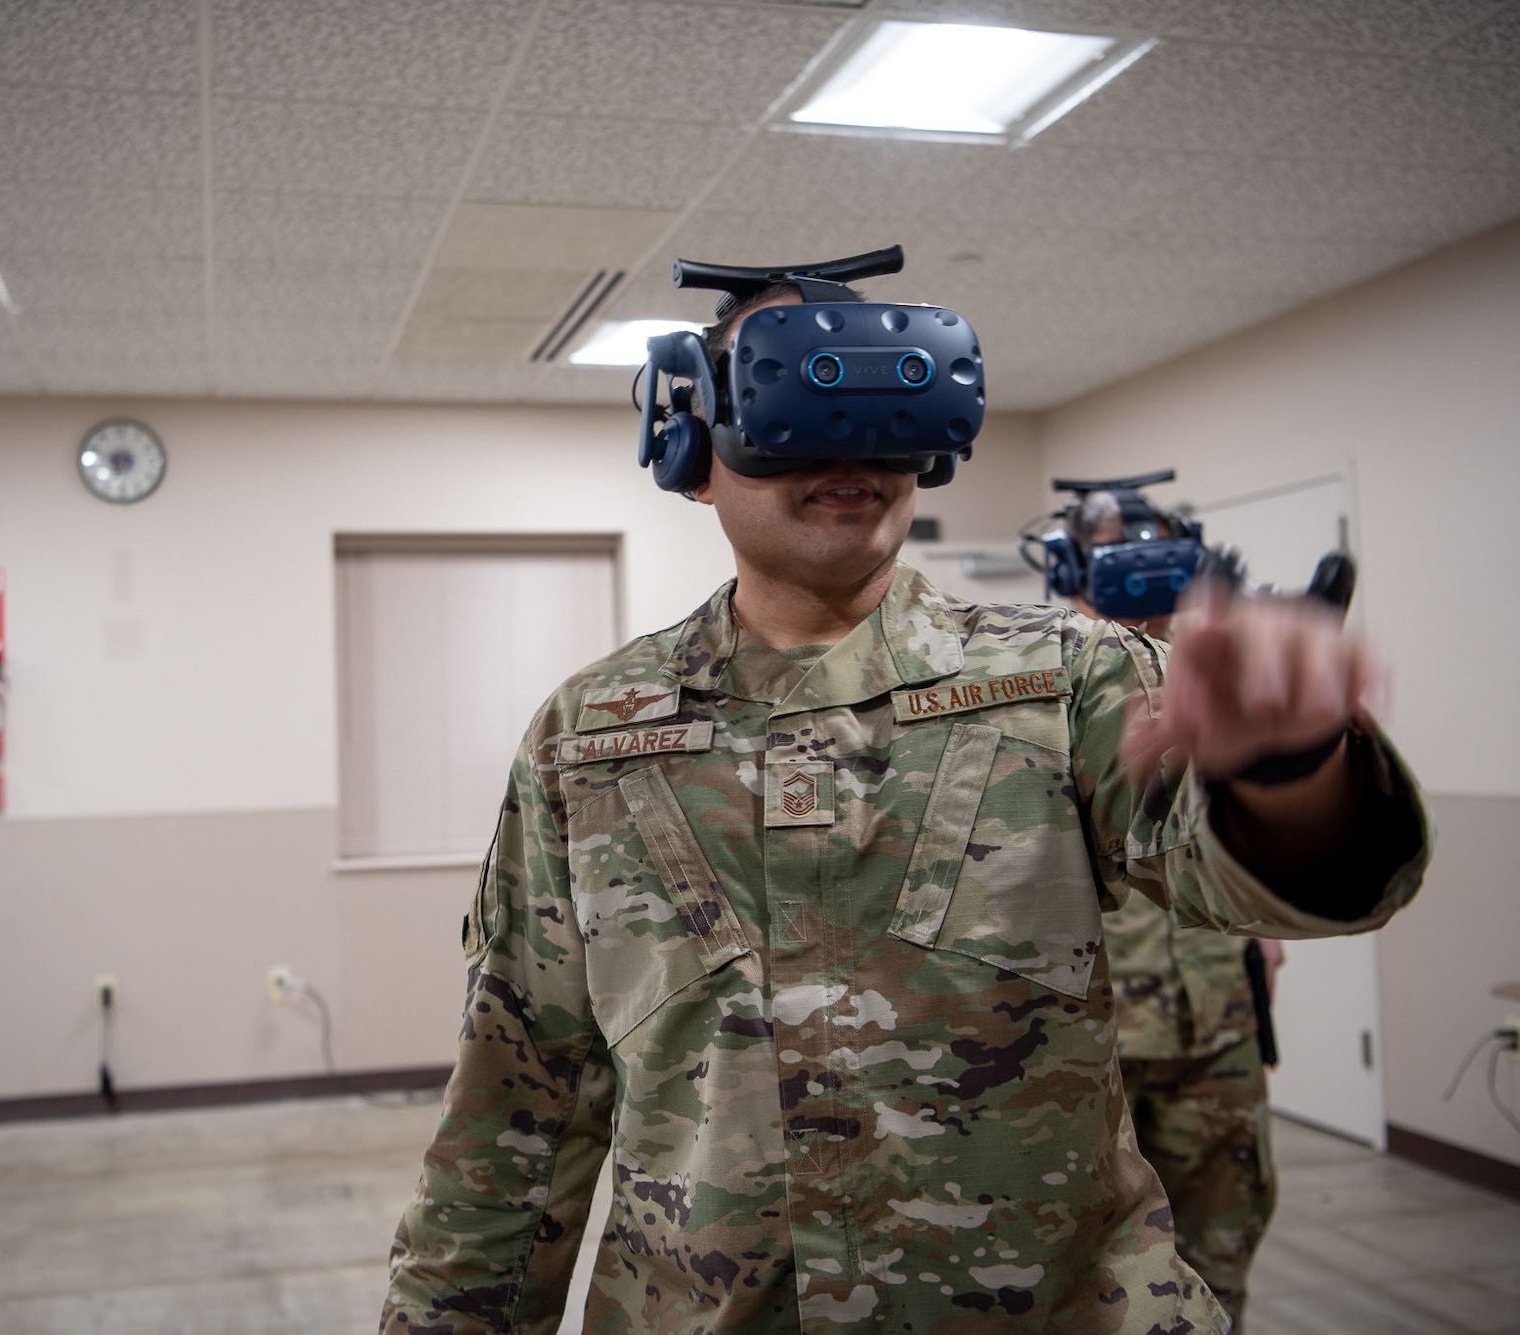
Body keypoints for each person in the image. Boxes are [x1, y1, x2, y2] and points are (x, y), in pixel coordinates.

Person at [382, 276, 1431, 1333]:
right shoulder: (593, 731)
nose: (847, 450)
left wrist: (1288, 769)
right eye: (790, 401)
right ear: (692, 453)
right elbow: (518, 1103)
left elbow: (1274, 882)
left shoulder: (1069, 675)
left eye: (887, 409)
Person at [1063, 487, 1285, 1330]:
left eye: (1159, 552)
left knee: (1224, 1242)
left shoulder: (1218, 670)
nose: (1143, 572)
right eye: (1121, 555)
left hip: (1214, 1023)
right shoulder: (1044, 678)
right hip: (1095, 1039)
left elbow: (1236, 831)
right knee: (1089, 1275)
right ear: (1078, 566)